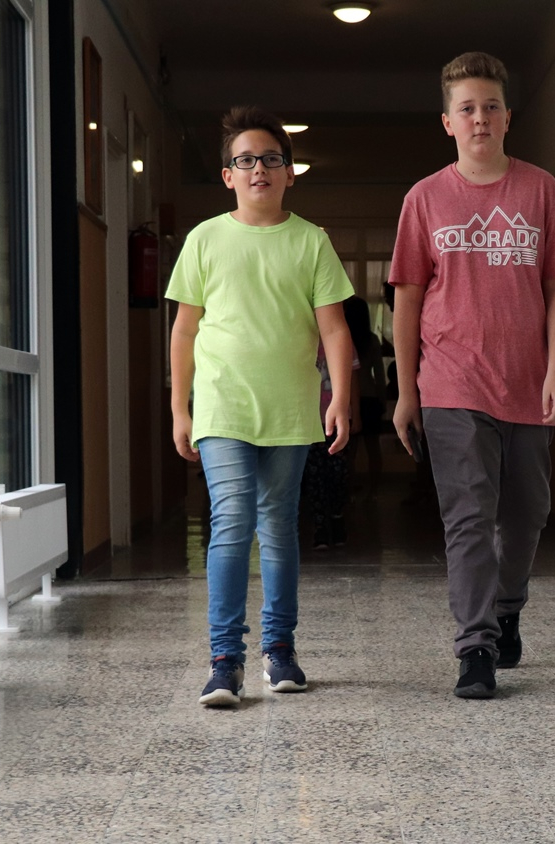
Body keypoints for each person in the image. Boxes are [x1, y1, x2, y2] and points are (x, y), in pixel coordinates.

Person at [388, 52, 555, 699]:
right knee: (469, 516)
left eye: (491, 107)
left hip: (527, 381)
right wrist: (406, 392)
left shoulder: (541, 190)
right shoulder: (424, 198)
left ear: (507, 117)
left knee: (527, 513)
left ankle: (507, 607)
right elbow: (408, 298)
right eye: (467, 108)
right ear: (448, 121)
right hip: (452, 383)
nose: (480, 118)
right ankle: (475, 645)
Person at [167, 105, 355, 707]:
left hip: (290, 409)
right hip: (221, 406)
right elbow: (183, 330)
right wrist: (179, 408)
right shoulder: (204, 239)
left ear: (289, 173)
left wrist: (341, 396)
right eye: (245, 160)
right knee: (231, 522)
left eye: (271, 159)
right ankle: (225, 660)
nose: (259, 170)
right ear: (228, 175)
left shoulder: (311, 241)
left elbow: (335, 329)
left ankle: (280, 651)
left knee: (278, 527)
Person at [303, 340, 359, 549]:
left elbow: (353, 379)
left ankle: (337, 517)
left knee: (338, 472)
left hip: (337, 420)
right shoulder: (303, 338)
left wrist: (355, 414)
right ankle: (320, 527)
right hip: (309, 420)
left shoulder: (343, 341)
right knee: (314, 475)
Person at [344, 296, 386, 498]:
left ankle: (349, 491)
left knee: (349, 451)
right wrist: (382, 400)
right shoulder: (371, 340)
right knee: (373, 448)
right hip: (370, 398)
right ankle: (374, 490)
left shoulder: (343, 340)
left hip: (349, 400)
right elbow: (380, 375)